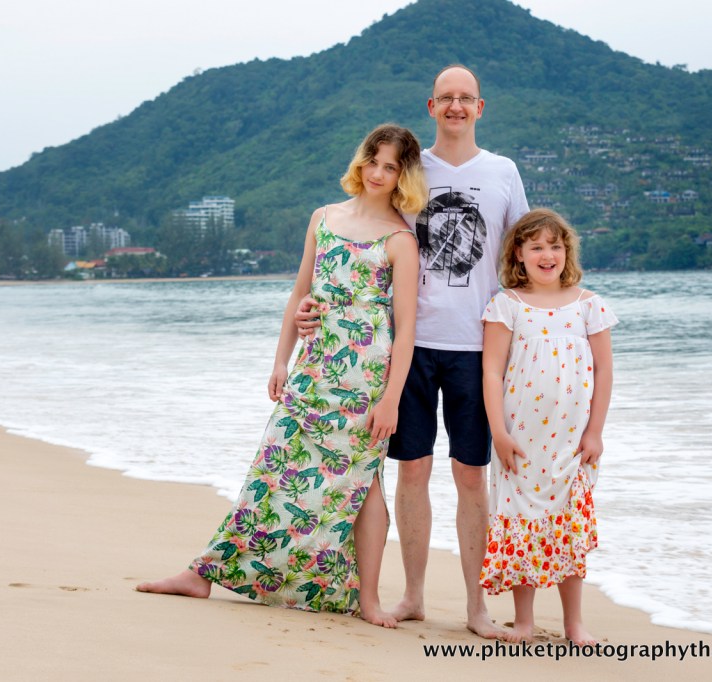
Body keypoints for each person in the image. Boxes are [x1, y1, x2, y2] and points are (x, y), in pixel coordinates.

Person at [137, 124, 425, 628]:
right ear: (360, 161)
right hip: (313, 369)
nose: (378, 174)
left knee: (363, 485)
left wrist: (391, 400)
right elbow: (299, 294)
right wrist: (280, 361)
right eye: (373, 161)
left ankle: (370, 600)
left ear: (403, 176)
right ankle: (202, 573)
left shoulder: (401, 239)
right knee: (270, 466)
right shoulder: (324, 218)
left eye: (390, 167)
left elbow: (406, 331)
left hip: (365, 381)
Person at [297, 65, 529, 639]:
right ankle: (414, 595)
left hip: (477, 346)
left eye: (466, 98)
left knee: (471, 476)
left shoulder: (502, 171)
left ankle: (477, 608)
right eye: (446, 98)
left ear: (480, 107)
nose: (456, 106)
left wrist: (547, 322)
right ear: (431, 106)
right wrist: (315, 306)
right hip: (410, 346)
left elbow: (523, 257)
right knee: (413, 470)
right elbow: (364, 238)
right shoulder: (409, 168)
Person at [479, 208, 617, 644]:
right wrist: (498, 433)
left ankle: (574, 622)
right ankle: (523, 620)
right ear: (518, 253)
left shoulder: (588, 305)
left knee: (568, 526)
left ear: (567, 251)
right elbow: (491, 372)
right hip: (520, 440)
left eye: (555, 246)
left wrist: (595, 432)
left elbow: (605, 371)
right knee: (521, 524)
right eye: (536, 246)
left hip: (572, 442)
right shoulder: (507, 305)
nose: (547, 255)